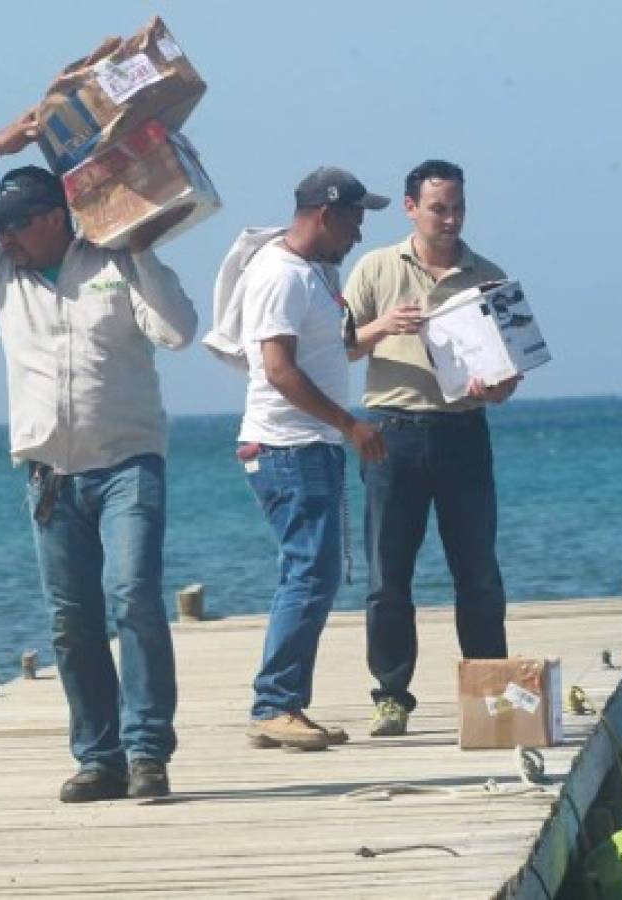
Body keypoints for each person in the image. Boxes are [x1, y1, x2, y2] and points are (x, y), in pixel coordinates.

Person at [0, 110, 197, 802]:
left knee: (133, 600)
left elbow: (178, 332)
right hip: (49, 476)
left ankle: (147, 751)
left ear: (57, 216)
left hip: (128, 463)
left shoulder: (114, 260)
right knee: (71, 623)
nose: (3, 236)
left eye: (17, 223)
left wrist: (136, 244)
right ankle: (99, 758)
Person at [343, 160, 520, 738]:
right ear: (410, 208)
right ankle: (391, 696)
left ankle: (492, 692)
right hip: (392, 433)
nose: (450, 218)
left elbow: (513, 373)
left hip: (463, 433)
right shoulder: (374, 267)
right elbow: (336, 349)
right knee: (387, 576)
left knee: (478, 574)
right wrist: (379, 328)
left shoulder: (489, 276)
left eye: (458, 207)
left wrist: (496, 387)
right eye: (438, 207)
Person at [230, 167, 388, 751]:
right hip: (287, 446)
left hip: (305, 446)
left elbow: (328, 352)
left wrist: (381, 331)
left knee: (312, 573)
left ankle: (281, 704)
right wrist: (349, 425)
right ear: (325, 214)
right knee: (309, 572)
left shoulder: (314, 275)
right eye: (354, 220)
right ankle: (275, 704)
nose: (359, 234)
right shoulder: (281, 275)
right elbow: (277, 368)